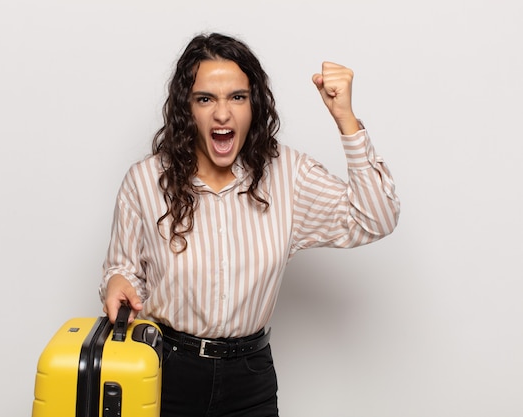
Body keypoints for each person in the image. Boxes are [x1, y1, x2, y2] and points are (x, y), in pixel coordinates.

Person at [99, 32, 400, 417]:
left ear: (254, 105)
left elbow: (376, 216)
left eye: (237, 97)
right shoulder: (144, 181)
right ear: (186, 108)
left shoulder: (288, 175)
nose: (222, 114)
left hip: (250, 378)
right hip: (166, 373)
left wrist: (345, 118)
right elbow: (123, 268)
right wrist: (118, 282)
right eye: (205, 99)